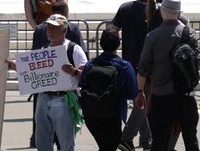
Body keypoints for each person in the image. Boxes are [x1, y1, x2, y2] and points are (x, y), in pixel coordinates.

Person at [135, 0, 199, 151]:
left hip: (162, 96)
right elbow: (197, 64)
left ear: (162, 11)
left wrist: (140, 91)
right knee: (191, 140)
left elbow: (143, 69)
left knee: (159, 141)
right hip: (186, 95)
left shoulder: (153, 36)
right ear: (179, 13)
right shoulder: (190, 34)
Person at [21, 15, 86, 151]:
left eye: (55, 28)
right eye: (49, 27)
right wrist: (15, 66)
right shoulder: (44, 50)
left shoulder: (73, 49)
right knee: (42, 142)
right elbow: (31, 71)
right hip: (43, 98)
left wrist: (74, 72)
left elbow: (87, 75)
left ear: (64, 30)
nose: (50, 31)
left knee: (66, 143)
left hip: (63, 99)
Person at [111, 0, 161, 151]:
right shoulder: (155, 13)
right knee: (142, 104)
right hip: (147, 66)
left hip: (128, 64)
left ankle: (147, 140)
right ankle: (126, 137)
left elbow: (113, 31)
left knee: (140, 102)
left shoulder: (125, 8)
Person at [79, 25, 137, 151]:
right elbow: (133, 93)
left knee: (104, 146)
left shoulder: (90, 64)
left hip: (91, 114)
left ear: (101, 44)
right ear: (118, 44)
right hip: (113, 114)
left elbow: (81, 85)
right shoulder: (124, 66)